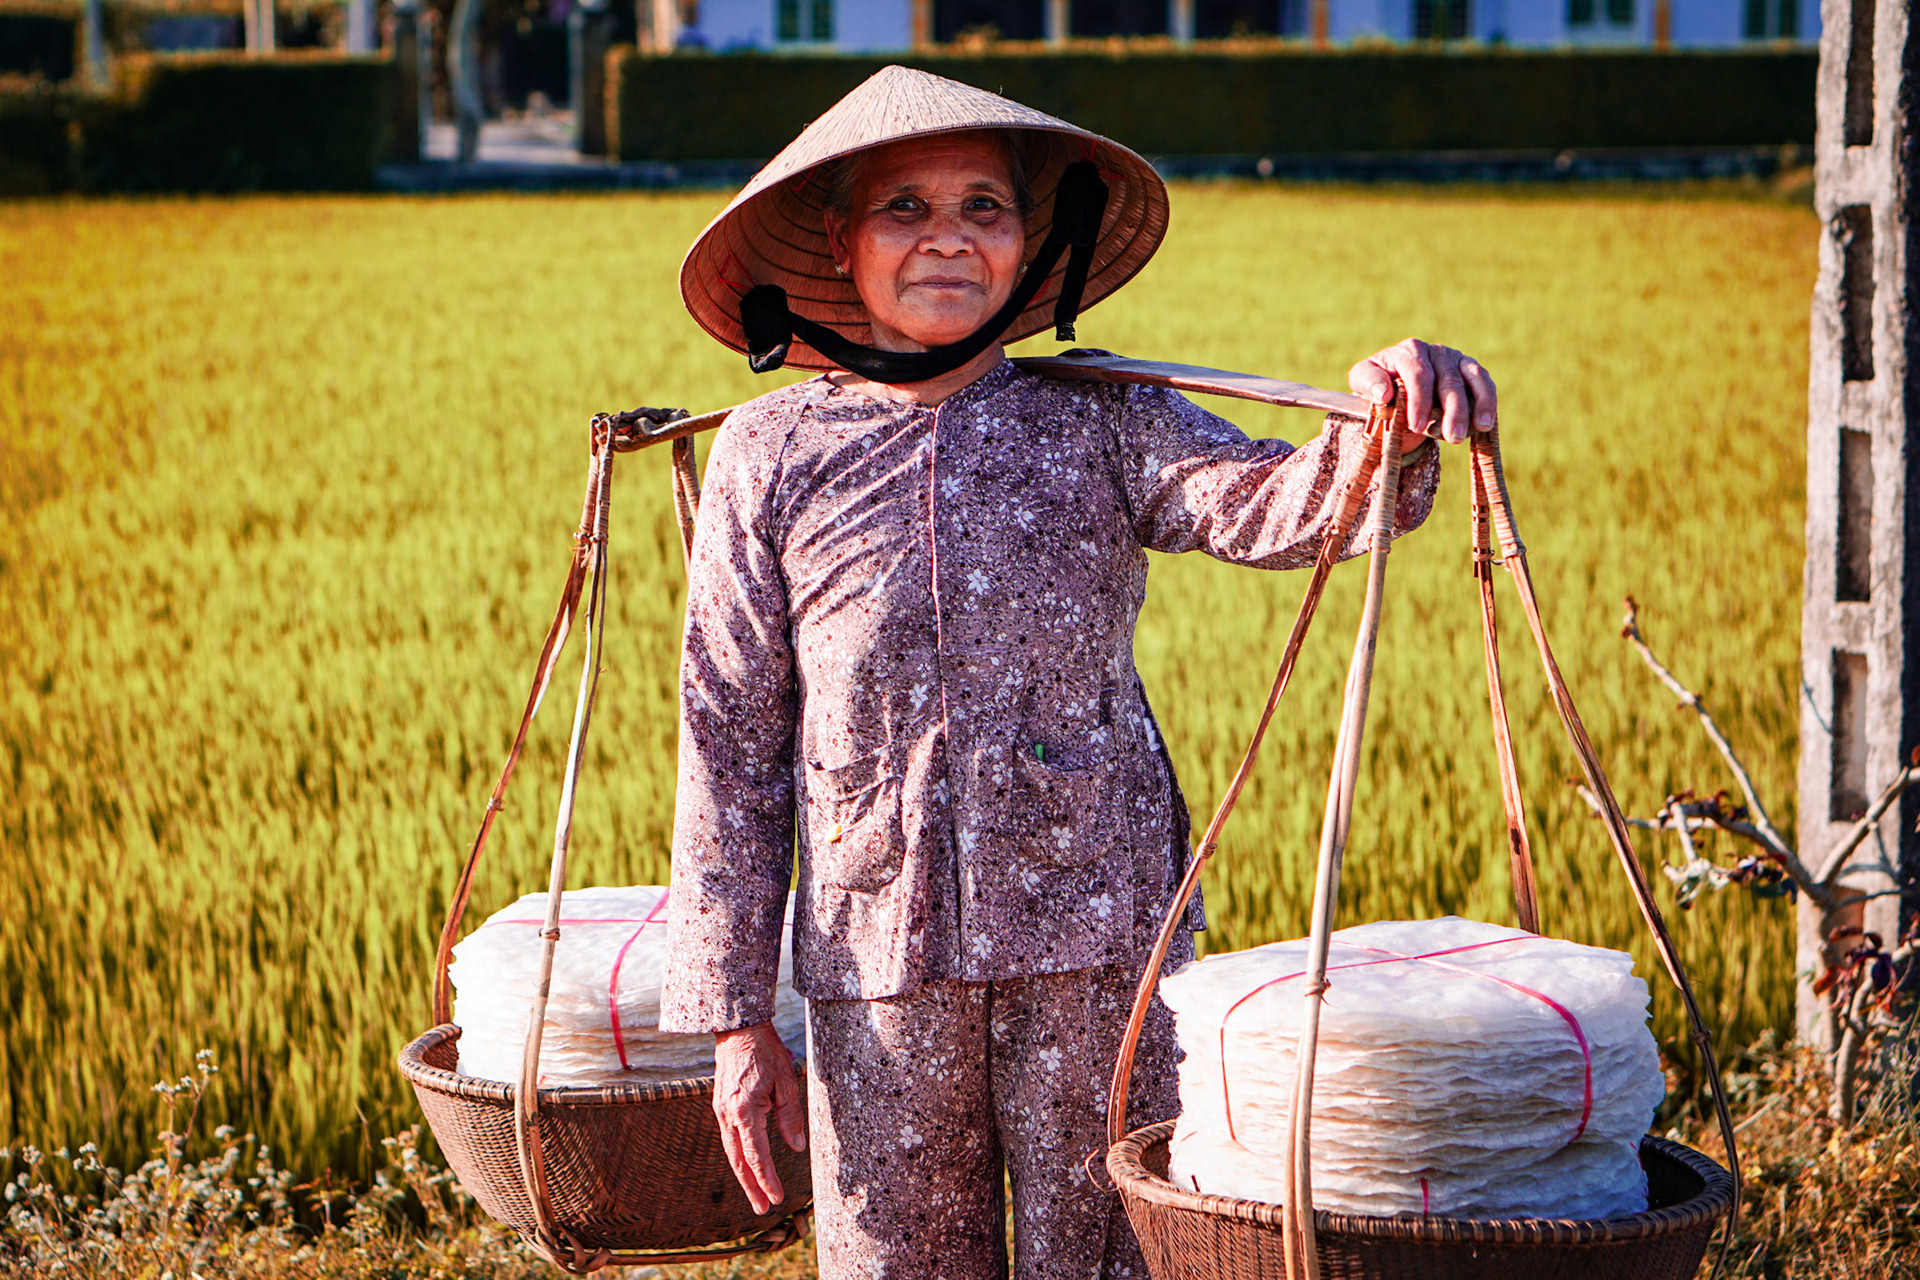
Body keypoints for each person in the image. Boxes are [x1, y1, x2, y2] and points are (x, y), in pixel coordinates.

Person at [660, 66, 1499, 1280]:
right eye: (904, 207)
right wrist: (740, 1014)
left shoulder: (1099, 415)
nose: (947, 235)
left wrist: (1387, 417)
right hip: (873, 952)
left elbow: (1270, 504)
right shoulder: (772, 450)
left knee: (1112, 1257)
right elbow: (729, 734)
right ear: (840, 241)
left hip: (1099, 936)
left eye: (984, 207)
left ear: (1027, 240)